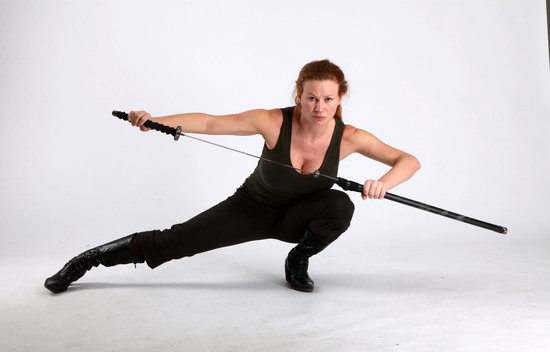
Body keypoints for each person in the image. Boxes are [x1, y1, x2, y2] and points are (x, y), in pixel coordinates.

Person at [44, 59, 421, 294]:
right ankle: (86, 261)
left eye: (328, 99)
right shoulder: (272, 121)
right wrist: (157, 120)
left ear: (340, 99)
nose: (319, 107)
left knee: (339, 204)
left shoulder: (351, 138)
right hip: (250, 209)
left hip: (298, 219)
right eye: (310, 98)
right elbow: (210, 122)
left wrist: (383, 183)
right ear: (298, 95)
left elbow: (408, 160)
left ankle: (298, 260)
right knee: (174, 241)